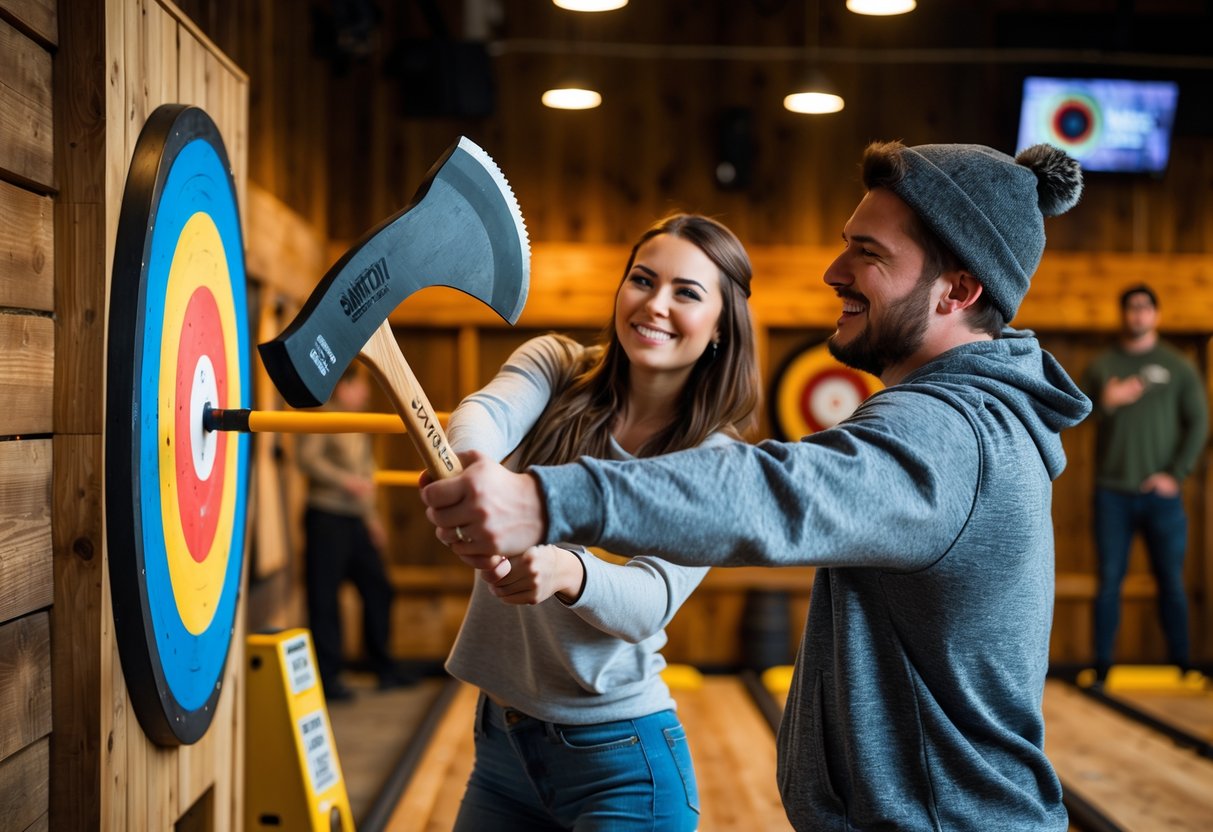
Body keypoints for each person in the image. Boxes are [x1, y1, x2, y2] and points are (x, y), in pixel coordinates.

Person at [421, 142, 1091, 830]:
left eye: (868, 252)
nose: (834, 271)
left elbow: (773, 491)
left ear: (956, 289)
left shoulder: (945, 435)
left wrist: (541, 501)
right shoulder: (968, 419)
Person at [440, 214, 761, 831]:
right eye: (643, 279)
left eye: (687, 293)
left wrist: (567, 568)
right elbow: (485, 412)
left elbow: (648, 603)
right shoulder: (557, 365)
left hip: (622, 766)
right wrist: (479, 470)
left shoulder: (717, 460)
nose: (655, 304)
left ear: (721, 326)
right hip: (502, 748)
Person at [1080, 284, 1208, 683]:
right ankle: (1101, 669)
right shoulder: (1101, 367)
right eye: (1131, 307)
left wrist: (1176, 474)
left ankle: (1183, 667)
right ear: (1123, 314)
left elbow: (1200, 424)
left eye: (1145, 308)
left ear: (1155, 314)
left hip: (1161, 497)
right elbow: (1074, 416)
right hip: (1111, 492)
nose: (1138, 314)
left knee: (1171, 581)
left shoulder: (1178, 365)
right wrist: (1107, 402)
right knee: (1109, 582)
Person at [297, 364, 413, 701]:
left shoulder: (358, 424)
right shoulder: (325, 418)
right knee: (325, 599)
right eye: (359, 387)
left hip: (356, 521)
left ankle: (383, 667)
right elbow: (306, 460)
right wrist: (343, 481)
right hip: (326, 517)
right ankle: (329, 679)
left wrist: (372, 519)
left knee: (380, 588)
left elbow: (367, 474)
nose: (364, 393)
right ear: (344, 387)